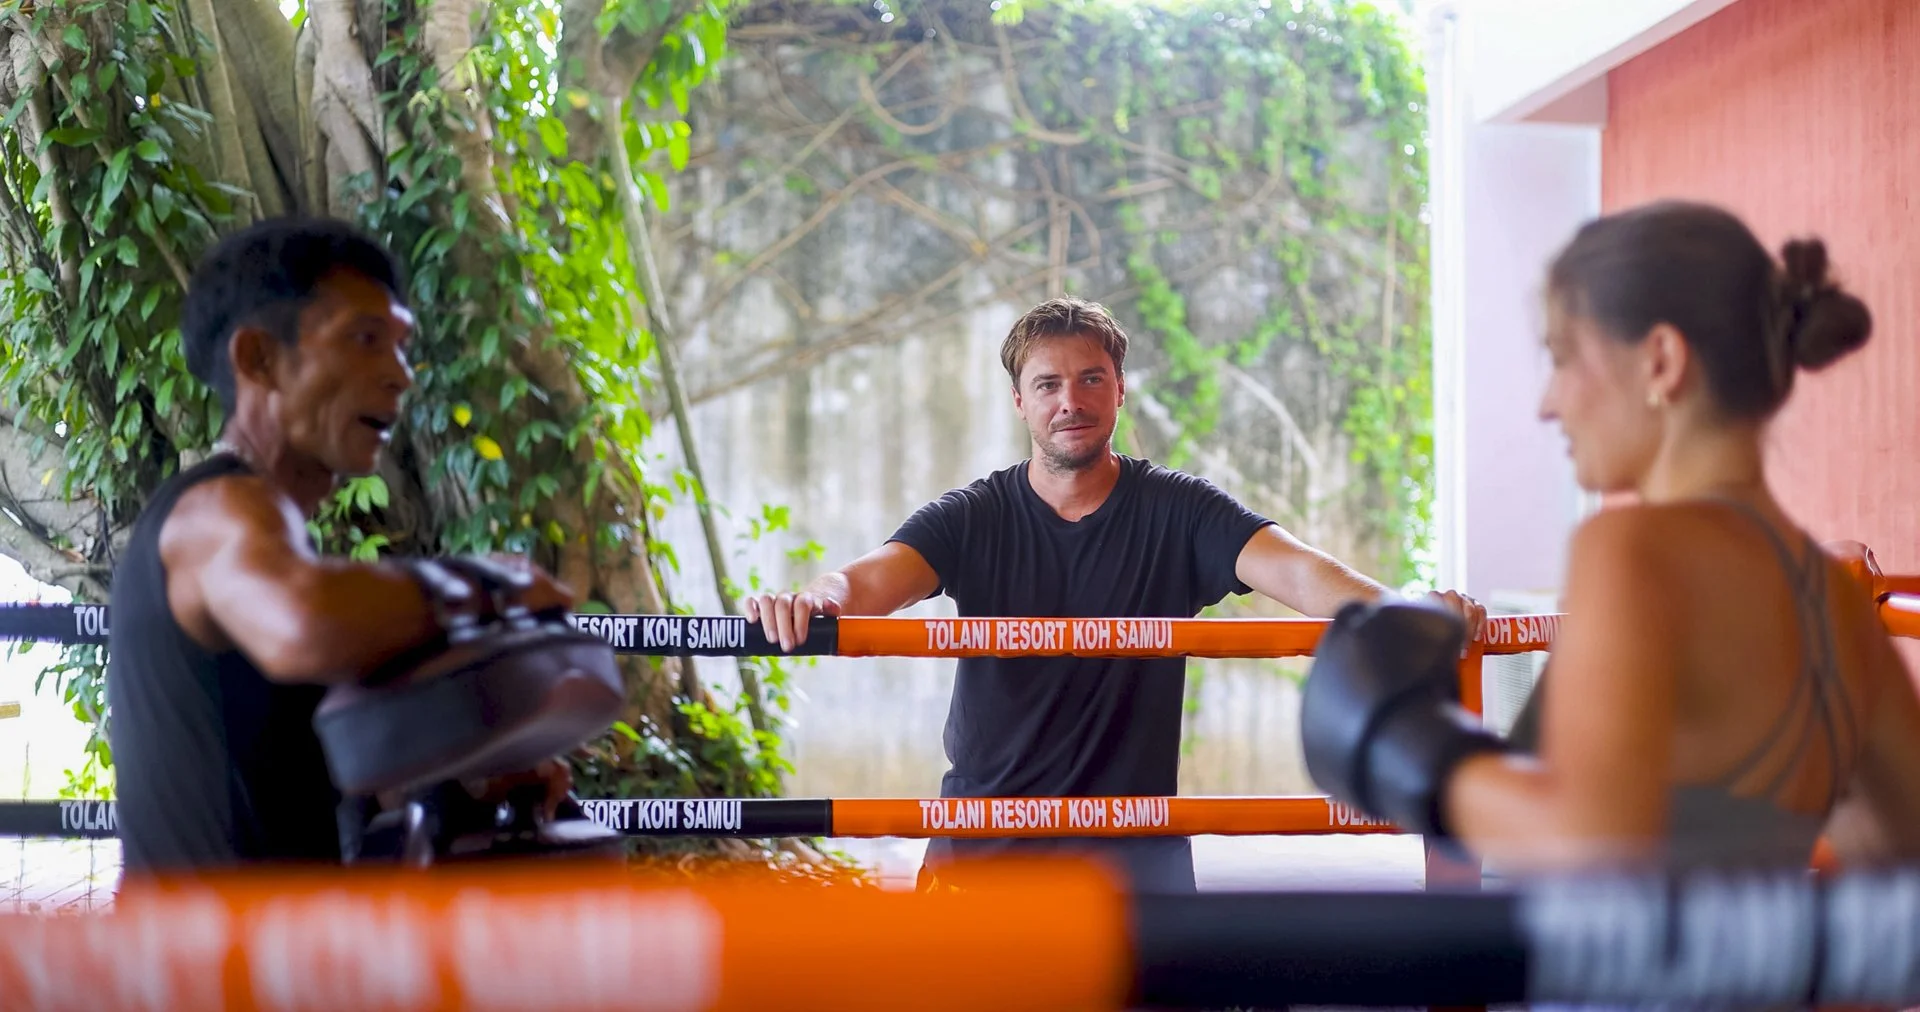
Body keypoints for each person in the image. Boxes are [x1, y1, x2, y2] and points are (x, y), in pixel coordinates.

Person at [744, 296, 1485, 893]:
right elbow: (870, 580)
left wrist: (1410, 611)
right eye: (1049, 384)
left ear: (1120, 390)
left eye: (1091, 378)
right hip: (986, 851)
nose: (1072, 400)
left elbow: (1302, 572)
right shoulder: (974, 515)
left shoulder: (1181, 509)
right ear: (1020, 402)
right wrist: (813, 599)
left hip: (1131, 859)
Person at [1302, 200, 1920, 875]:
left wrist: (1404, 748)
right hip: (1747, 984)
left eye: (1564, 359)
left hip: (1631, 982)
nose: (1548, 402)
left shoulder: (1633, 551)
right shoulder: (1835, 599)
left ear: (1660, 361)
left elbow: (1587, 844)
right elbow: (1902, 856)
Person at [107, 217, 575, 874]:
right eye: (364, 339)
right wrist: (488, 585)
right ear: (259, 359)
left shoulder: (278, 544)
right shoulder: (215, 512)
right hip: (197, 971)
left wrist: (471, 779)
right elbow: (305, 623)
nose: (400, 375)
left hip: (276, 964)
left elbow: (336, 775)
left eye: (400, 345)